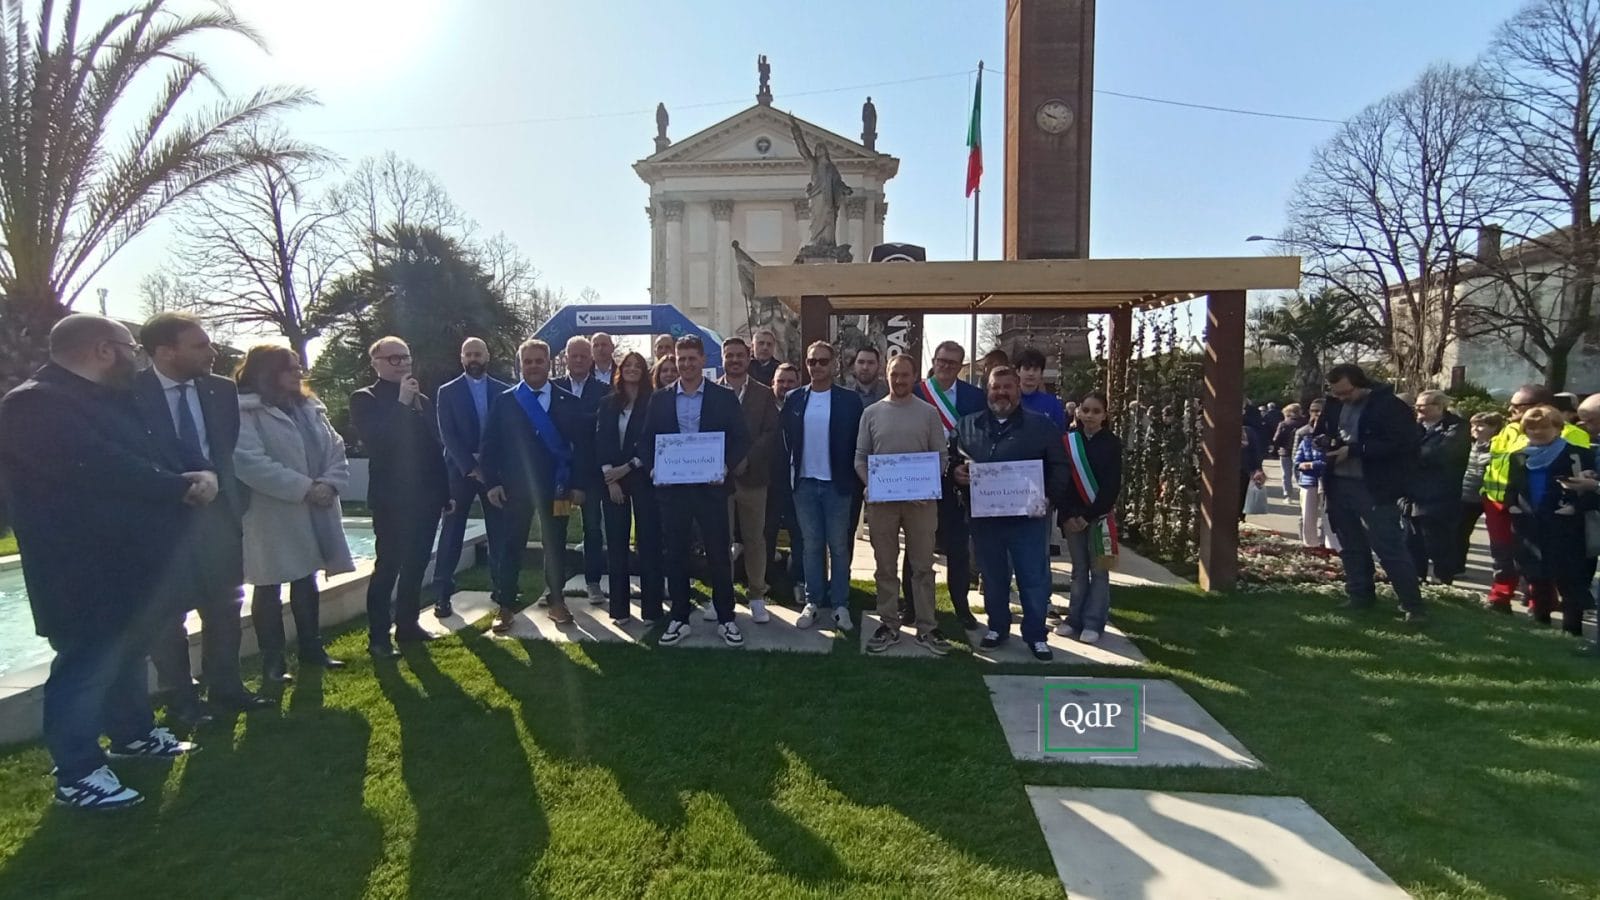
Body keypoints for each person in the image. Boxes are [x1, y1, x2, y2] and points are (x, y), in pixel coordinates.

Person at [0, 314, 200, 810]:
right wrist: (179, 487)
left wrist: (191, 473)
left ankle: (133, 735)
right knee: (85, 666)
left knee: (126, 654)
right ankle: (77, 772)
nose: (136, 359)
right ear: (104, 350)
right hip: (76, 570)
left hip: (125, 563)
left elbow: (150, 452)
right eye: (132, 349)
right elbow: (100, 467)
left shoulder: (108, 399)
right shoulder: (33, 404)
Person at [132, 314, 267, 727]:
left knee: (225, 605)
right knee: (166, 615)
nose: (212, 352)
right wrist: (175, 488)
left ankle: (225, 687)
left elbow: (223, 448)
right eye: (200, 345)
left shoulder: (221, 390)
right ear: (165, 351)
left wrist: (226, 496)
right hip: (159, 519)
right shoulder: (129, 392)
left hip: (218, 516)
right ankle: (182, 699)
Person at [233, 345, 356, 682]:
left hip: (316, 506)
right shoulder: (246, 410)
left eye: (298, 366)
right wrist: (305, 488)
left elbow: (336, 447)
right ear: (267, 372)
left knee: (306, 578)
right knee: (268, 584)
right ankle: (273, 661)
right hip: (272, 513)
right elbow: (249, 461)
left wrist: (330, 483)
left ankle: (312, 649)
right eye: (289, 368)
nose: (298, 373)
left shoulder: (310, 407)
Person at [956, 366, 1071, 660]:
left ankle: (1036, 635)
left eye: (1007, 387)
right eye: (996, 387)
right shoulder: (968, 425)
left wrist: (1049, 499)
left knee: (1033, 578)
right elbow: (953, 461)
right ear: (987, 390)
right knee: (993, 577)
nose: (1001, 393)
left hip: (1028, 519)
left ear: (1018, 390)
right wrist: (956, 473)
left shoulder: (1041, 426)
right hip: (986, 519)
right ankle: (997, 628)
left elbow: (1059, 466)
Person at [642, 335, 751, 646]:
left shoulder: (723, 396)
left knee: (719, 554)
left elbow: (741, 439)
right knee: (676, 554)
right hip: (674, 491)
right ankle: (679, 617)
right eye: (682, 359)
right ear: (675, 361)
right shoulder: (660, 399)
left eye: (692, 358)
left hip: (711, 490)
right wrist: (654, 469)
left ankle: (726, 618)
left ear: (703, 360)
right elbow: (646, 440)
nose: (687, 364)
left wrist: (725, 467)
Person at [349, 336, 452, 657]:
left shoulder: (422, 400)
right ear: (376, 364)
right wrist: (402, 404)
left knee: (416, 564)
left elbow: (435, 449)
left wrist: (445, 492)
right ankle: (379, 637)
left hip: (427, 498)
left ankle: (408, 625)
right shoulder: (365, 399)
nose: (402, 363)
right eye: (394, 358)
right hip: (392, 500)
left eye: (405, 357)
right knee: (388, 566)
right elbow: (378, 442)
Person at [482, 339, 594, 632]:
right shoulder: (505, 401)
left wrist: (578, 485)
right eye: (527, 362)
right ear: (520, 365)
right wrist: (492, 483)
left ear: (549, 363)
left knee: (555, 544)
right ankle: (505, 606)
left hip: (559, 489)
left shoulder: (569, 401)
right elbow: (489, 445)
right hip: (515, 489)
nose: (533, 366)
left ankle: (557, 601)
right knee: (511, 545)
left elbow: (582, 448)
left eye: (538, 361)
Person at [1314, 364, 1425, 623]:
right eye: (1336, 393)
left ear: (1361, 383)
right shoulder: (1334, 404)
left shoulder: (1389, 406)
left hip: (1375, 487)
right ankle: (1359, 595)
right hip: (1339, 483)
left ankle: (1412, 605)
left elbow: (1403, 443)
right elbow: (1322, 432)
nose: (1341, 398)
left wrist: (1355, 450)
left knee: (1388, 546)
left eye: (1346, 392)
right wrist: (1324, 442)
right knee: (1351, 545)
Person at [856, 353, 951, 655]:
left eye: (905, 375)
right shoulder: (871, 413)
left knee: (923, 567)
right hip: (883, 504)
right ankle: (888, 623)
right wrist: (871, 484)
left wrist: (927, 484)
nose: (899, 380)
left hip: (921, 504)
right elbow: (860, 458)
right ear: (886, 375)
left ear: (915, 377)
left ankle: (927, 627)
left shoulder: (929, 413)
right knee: (885, 566)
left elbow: (941, 456)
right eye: (894, 374)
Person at [1480, 384, 1592, 611]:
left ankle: (1541, 603)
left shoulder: (1570, 433)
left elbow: (1578, 470)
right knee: (1505, 554)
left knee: (1545, 559)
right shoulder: (1510, 429)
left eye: (1517, 406)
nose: (1510, 410)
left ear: (1540, 405)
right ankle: (1502, 597)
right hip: (1501, 501)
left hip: (1547, 508)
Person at [780, 340, 864, 631]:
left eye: (823, 361)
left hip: (837, 485)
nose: (816, 366)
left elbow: (858, 442)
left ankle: (840, 604)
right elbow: (786, 439)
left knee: (839, 546)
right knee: (811, 545)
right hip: (805, 483)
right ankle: (812, 601)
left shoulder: (849, 400)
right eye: (811, 361)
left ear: (834, 364)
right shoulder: (794, 398)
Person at [907, 340, 987, 630]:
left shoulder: (975, 397)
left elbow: (980, 438)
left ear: (960, 366)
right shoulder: (916, 392)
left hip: (957, 483)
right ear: (934, 361)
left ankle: (961, 607)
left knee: (958, 549)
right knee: (916, 547)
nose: (945, 366)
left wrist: (968, 467)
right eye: (941, 360)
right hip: (921, 478)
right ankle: (911, 605)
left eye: (952, 363)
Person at [432, 337, 509, 618]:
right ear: (461, 358)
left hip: (494, 472)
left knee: (499, 530)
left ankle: (502, 589)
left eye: (478, 354)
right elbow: (447, 435)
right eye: (469, 354)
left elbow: (506, 431)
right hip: (459, 471)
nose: (473, 359)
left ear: (487, 357)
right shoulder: (447, 392)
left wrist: (490, 467)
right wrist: (470, 466)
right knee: (452, 531)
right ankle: (442, 594)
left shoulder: (502, 390)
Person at [1504, 405, 1598, 634]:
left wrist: (1575, 508)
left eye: (1544, 427)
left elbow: (1592, 493)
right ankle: (1542, 629)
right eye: (1531, 428)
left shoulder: (1578, 454)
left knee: (1571, 582)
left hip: (1567, 527)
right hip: (1530, 527)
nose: (1537, 432)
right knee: (1536, 579)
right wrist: (1512, 506)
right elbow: (1512, 487)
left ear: (1558, 428)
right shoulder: (1518, 456)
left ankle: (1572, 632)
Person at [596, 351, 664, 625]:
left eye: (638, 365)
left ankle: (652, 610)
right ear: (620, 370)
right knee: (616, 545)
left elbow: (653, 441)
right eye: (628, 365)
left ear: (644, 371)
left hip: (643, 478)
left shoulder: (654, 402)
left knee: (649, 544)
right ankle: (619, 609)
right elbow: (600, 440)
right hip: (613, 481)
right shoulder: (608, 402)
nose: (632, 369)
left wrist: (629, 467)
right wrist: (610, 477)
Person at [719, 337, 780, 624]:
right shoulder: (711, 391)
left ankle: (756, 595)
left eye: (739, 355)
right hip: (719, 479)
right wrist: (727, 462)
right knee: (720, 540)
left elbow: (770, 432)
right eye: (729, 355)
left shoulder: (764, 394)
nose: (734, 360)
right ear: (723, 358)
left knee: (755, 539)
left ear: (748, 358)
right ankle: (722, 596)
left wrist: (746, 459)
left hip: (753, 478)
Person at [1055, 390, 1122, 644]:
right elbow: (1062, 481)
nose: (1090, 416)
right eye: (1086, 410)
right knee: (1078, 570)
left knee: (1100, 571)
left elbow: (1111, 486)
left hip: (1099, 517)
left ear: (1105, 415)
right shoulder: (1069, 441)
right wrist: (1068, 514)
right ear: (1078, 412)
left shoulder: (1112, 443)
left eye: (1096, 411)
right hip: (1072, 518)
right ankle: (1074, 619)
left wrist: (1088, 514)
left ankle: (1094, 622)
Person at [554, 335, 611, 605]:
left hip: (591, 476)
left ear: (591, 360)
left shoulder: (604, 391)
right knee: (557, 528)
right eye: (573, 355)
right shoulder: (553, 388)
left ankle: (593, 582)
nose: (578, 360)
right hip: (559, 478)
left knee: (593, 528)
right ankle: (553, 585)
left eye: (583, 356)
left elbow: (601, 431)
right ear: (566, 357)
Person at [1406, 390, 1470, 584]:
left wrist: (1410, 454)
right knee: (1413, 544)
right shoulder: (1414, 427)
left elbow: (1440, 455)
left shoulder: (1457, 428)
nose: (1418, 409)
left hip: (1440, 496)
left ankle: (1443, 584)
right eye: (1417, 405)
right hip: (1411, 496)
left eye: (1423, 405)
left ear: (1439, 406)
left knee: (1439, 545)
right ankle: (1416, 582)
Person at [765, 362, 806, 595]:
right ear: (772, 383)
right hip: (768, 482)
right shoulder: (764, 407)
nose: (785, 386)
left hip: (797, 482)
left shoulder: (804, 407)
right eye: (781, 381)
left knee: (799, 534)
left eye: (791, 381)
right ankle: (767, 579)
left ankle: (799, 579)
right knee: (767, 532)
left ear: (798, 384)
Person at [1456, 411, 1503, 580]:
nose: (1475, 429)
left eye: (1481, 425)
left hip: (1491, 496)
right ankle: (1457, 567)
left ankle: (1504, 573)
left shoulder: (1498, 447)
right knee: (1460, 532)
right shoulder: (1469, 444)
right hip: (1467, 494)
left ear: (1494, 427)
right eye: (1473, 425)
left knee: (1499, 538)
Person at [1293, 400, 1340, 551]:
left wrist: (1312, 465)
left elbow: (1332, 460)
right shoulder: (1304, 438)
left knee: (1329, 516)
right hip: (1308, 481)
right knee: (1307, 514)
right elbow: (1297, 461)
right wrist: (1302, 469)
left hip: (1328, 481)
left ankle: (1332, 547)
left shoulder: (1334, 438)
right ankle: (1310, 545)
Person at [1015, 347, 1066, 431]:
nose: (1031, 373)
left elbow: (1060, 433)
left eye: (1035, 370)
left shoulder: (1053, 404)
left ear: (1041, 373)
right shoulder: (1009, 401)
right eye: (1026, 369)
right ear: (1018, 371)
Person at [1271, 403, 1307, 502]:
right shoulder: (1305, 423)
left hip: (1285, 451)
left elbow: (1276, 439)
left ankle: (1288, 495)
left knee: (1286, 474)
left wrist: (1276, 448)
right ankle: (1303, 493)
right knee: (1300, 473)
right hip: (1301, 452)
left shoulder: (1284, 424)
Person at [1239, 427, 1266, 521]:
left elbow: (1255, 451)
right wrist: (1257, 468)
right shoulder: (1247, 431)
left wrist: (1258, 469)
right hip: (1244, 469)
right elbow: (1256, 452)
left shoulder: (1247, 431)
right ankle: (1240, 518)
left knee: (1241, 495)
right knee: (1242, 495)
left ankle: (1239, 518)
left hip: (1242, 469)